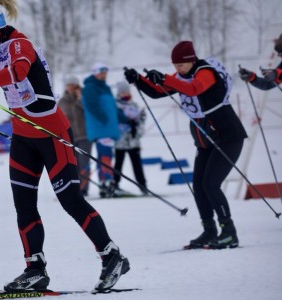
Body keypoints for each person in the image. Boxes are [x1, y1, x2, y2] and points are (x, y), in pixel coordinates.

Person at [0, 0, 129, 293]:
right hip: (23, 136)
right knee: (24, 205)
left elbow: (18, 72)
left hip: (51, 133)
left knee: (70, 200)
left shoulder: (20, 45)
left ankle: (112, 256)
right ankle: (35, 269)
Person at [125, 40, 247, 249]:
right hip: (206, 141)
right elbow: (157, 91)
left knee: (211, 184)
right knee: (199, 186)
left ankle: (229, 232)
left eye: (181, 65)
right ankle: (209, 231)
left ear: (191, 60)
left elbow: (193, 89)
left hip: (228, 137)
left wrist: (165, 79)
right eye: (174, 66)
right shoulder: (182, 75)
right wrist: (140, 80)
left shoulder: (205, 72)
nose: (177, 69)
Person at [81, 62, 120, 198]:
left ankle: (106, 182)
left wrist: (124, 118)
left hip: (108, 127)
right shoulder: (91, 87)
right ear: (95, 73)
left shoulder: (105, 88)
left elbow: (113, 108)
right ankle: (106, 183)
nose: (104, 75)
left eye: (105, 73)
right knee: (104, 156)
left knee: (107, 155)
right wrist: (104, 118)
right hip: (101, 127)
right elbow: (92, 106)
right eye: (101, 72)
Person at [58, 75, 91, 196]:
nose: (71, 87)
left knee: (84, 162)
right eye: (69, 85)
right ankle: (75, 188)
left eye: (73, 85)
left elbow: (89, 112)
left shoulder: (84, 98)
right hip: (69, 137)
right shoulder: (62, 101)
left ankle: (84, 188)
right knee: (73, 164)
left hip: (84, 136)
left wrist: (79, 99)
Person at [113, 81, 147, 195]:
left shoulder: (134, 105)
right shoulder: (115, 106)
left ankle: (143, 185)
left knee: (137, 164)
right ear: (118, 93)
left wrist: (137, 130)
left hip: (134, 141)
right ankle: (115, 184)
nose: (125, 94)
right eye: (122, 92)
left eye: (127, 91)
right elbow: (113, 122)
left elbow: (140, 123)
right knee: (118, 164)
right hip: (120, 142)